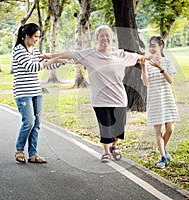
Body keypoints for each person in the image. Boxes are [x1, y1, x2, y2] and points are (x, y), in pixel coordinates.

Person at [40, 25, 150, 163]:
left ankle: (114, 146)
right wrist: (50, 56)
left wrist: (152, 57)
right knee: (106, 128)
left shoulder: (120, 54)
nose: (105, 38)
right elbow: (69, 54)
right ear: (97, 39)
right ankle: (106, 153)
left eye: (107, 35)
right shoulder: (90, 54)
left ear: (112, 38)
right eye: (102, 36)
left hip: (119, 99)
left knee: (118, 130)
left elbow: (140, 58)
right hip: (100, 99)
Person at [13, 23, 66, 163]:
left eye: (38, 37)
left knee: (37, 123)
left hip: (36, 91)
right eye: (35, 36)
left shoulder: (35, 51)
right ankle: (19, 150)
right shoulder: (18, 50)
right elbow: (33, 67)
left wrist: (62, 61)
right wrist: (52, 60)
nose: (37, 39)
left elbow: (48, 64)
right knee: (29, 122)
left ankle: (33, 154)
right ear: (26, 36)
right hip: (23, 93)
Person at [140, 36, 180, 169]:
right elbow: (146, 83)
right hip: (154, 99)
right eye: (150, 46)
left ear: (160, 46)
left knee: (170, 129)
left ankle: (161, 148)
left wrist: (160, 67)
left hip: (166, 97)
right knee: (158, 131)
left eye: (153, 46)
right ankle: (163, 157)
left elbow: (170, 80)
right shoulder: (146, 62)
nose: (151, 49)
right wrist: (143, 68)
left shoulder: (167, 62)